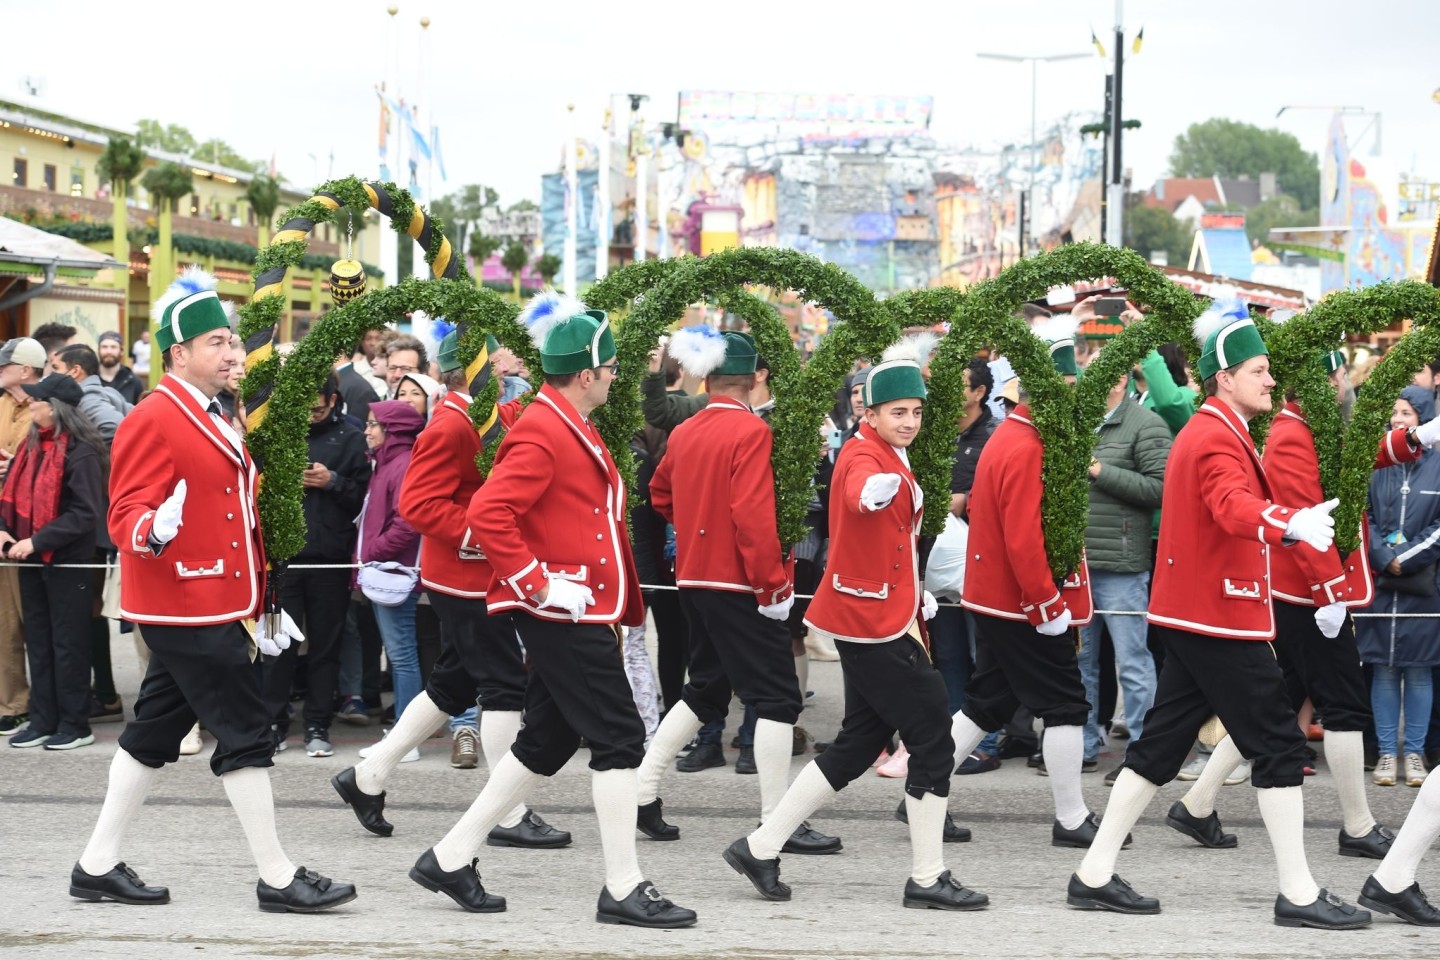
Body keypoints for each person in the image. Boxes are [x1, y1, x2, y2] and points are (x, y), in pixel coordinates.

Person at [1069, 299, 1367, 929]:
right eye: (1259, 370)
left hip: (1202, 613)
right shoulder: (1213, 436)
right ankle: (1300, 893)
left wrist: (1286, 524)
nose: (1271, 380)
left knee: (1157, 751)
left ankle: (1092, 873)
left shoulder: (1218, 429)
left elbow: (1229, 506)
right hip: (1218, 618)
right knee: (1281, 748)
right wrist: (1289, 524)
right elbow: (1232, 506)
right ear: (1224, 378)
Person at [70, 267, 355, 912]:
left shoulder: (215, 412)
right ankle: (278, 876)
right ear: (181, 354)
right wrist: (154, 527)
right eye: (218, 343)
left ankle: (95, 864)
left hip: (217, 599)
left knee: (152, 734)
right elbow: (124, 515)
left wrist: (263, 591)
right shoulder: (154, 415)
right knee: (249, 731)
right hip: (186, 602)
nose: (233, 353)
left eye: (232, 341)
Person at [405, 296, 695, 927]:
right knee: (619, 740)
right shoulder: (543, 426)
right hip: (564, 609)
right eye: (612, 366)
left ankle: (450, 856)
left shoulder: (563, 420)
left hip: (580, 605)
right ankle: (622, 885)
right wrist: (536, 583)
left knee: (546, 740)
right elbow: (488, 513)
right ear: (586, 374)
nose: (618, 375)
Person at [723, 350, 984, 911]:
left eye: (915, 410)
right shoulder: (865, 455)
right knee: (933, 735)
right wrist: (871, 493)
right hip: (871, 623)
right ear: (871, 412)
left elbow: (890, 540)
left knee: (860, 741)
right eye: (898, 412)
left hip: (885, 612)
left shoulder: (890, 450)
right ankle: (928, 875)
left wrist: (915, 593)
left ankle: (760, 845)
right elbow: (856, 491)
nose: (910, 421)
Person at [1171, 356, 1437, 853]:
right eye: (1338, 376)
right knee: (1343, 707)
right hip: (1309, 595)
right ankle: (1357, 826)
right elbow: (1303, 517)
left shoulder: (1309, 424)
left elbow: (1352, 460)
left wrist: (1416, 439)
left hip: (1309, 594)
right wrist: (1331, 593)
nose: (1344, 384)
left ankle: (1197, 803)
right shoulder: (1293, 431)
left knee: (1279, 704)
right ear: (1323, 380)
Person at [335, 330, 567, 845]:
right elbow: (418, 504)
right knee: (505, 686)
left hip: (476, 573)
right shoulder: (453, 421)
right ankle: (507, 813)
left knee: (453, 684)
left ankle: (368, 775)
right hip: (462, 578)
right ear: (481, 370)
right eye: (498, 363)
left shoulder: (479, 413)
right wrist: (479, 534)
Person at [636, 327, 839, 854]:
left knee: (705, 687)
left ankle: (642, 787)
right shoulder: (751, 432)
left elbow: (660, 494)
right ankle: (776, 823)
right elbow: (751, 517)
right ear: (753, 380)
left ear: (707, 377)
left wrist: (698, 527)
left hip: (696, 574)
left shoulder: (687, 430)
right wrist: (772, 584)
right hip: (739, 579)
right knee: (776, 698)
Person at [950, 316, 1101, 847]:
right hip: (1020, 603)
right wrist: (1045, 603)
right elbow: (1022, 538)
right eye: (1067, 386)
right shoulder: (1027, 444)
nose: (1075, 394)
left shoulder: (1022, 435)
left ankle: (922, 793)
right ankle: (1071, 817)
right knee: (1065, 706)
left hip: (1003, 600)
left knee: (987, 702)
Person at [260, 375, 369, 757]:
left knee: (325, 647)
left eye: (318, 405)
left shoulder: (351, 438)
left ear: (333, 399)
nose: (310, 413)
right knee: (277, 646)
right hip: (283, 562)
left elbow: (362, 501)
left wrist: (333, 481)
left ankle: (317, 724)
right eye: (304, 404)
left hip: (330, 561)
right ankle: (273, 721)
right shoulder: (278, 434)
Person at [0, 373, 108, 750]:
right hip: (29, 559)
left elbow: (85, 513)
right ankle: (43, 719)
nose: (29, 404)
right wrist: (3, 532)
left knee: (68, 645)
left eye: (36, 400)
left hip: (67, 563)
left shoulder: (83, 451)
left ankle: (75, 724)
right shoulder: (31, 446)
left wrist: (36, 541)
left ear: (55, 408)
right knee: (39, 642)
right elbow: (7, 499)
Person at [1076, 371, 1170, 783]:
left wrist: (1099, 471)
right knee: (1081, 662)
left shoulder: (1145, 423)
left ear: (1119, 379)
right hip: (1077, 561)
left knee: (1133, 662)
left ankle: (1142, 751)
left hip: (1122, 564)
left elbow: (1162, 489)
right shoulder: (1078, 418)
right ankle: (1081, 745)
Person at [1357, 386, 1440, 789]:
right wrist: (1379, 554)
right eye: (1394, 412)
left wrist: (1404, 557)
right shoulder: (1378, 462)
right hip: (1380, 583)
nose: (1397, 419)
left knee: (1420, 672)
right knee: (1384, 671)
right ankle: (1387, 753)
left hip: (1423, 584)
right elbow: (1363, 514)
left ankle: (1415, 752)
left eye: (1406, 412)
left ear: (1422, 418)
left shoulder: (1439, 463)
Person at [356, 399, 425, 748]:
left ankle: (404, 739)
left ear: (392, 430)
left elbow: (407, 523)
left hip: (393, 572)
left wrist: (371, 553)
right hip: (386, 571)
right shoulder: (387, 463)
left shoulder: (401, 464)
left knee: (402, 656)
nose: (366, 430)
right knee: (402, 655)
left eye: (373, 424)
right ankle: (403, 734)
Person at [0, 336, 47, 736]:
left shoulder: (44, 405)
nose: (0, 371)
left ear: (26, 370)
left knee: (40, 621)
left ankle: (52, 703)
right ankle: (13, 703)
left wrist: (14, 464)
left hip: (35, 527)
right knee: (4, 622)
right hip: (3, 522)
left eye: (5, 365)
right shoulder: (0, 404)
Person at [51, 343, 131, 444]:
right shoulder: (108, 392)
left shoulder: (87, 397)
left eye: (56, 368)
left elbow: (113, 427)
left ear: (75, 371)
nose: (52, 374)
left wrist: (85, 451)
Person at [96, 331, 143, 406]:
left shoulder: (133, 381)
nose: (109, 351)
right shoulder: (90, 378)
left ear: (122, 351)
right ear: (98, 350)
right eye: (104, 347)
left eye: (113, 347)